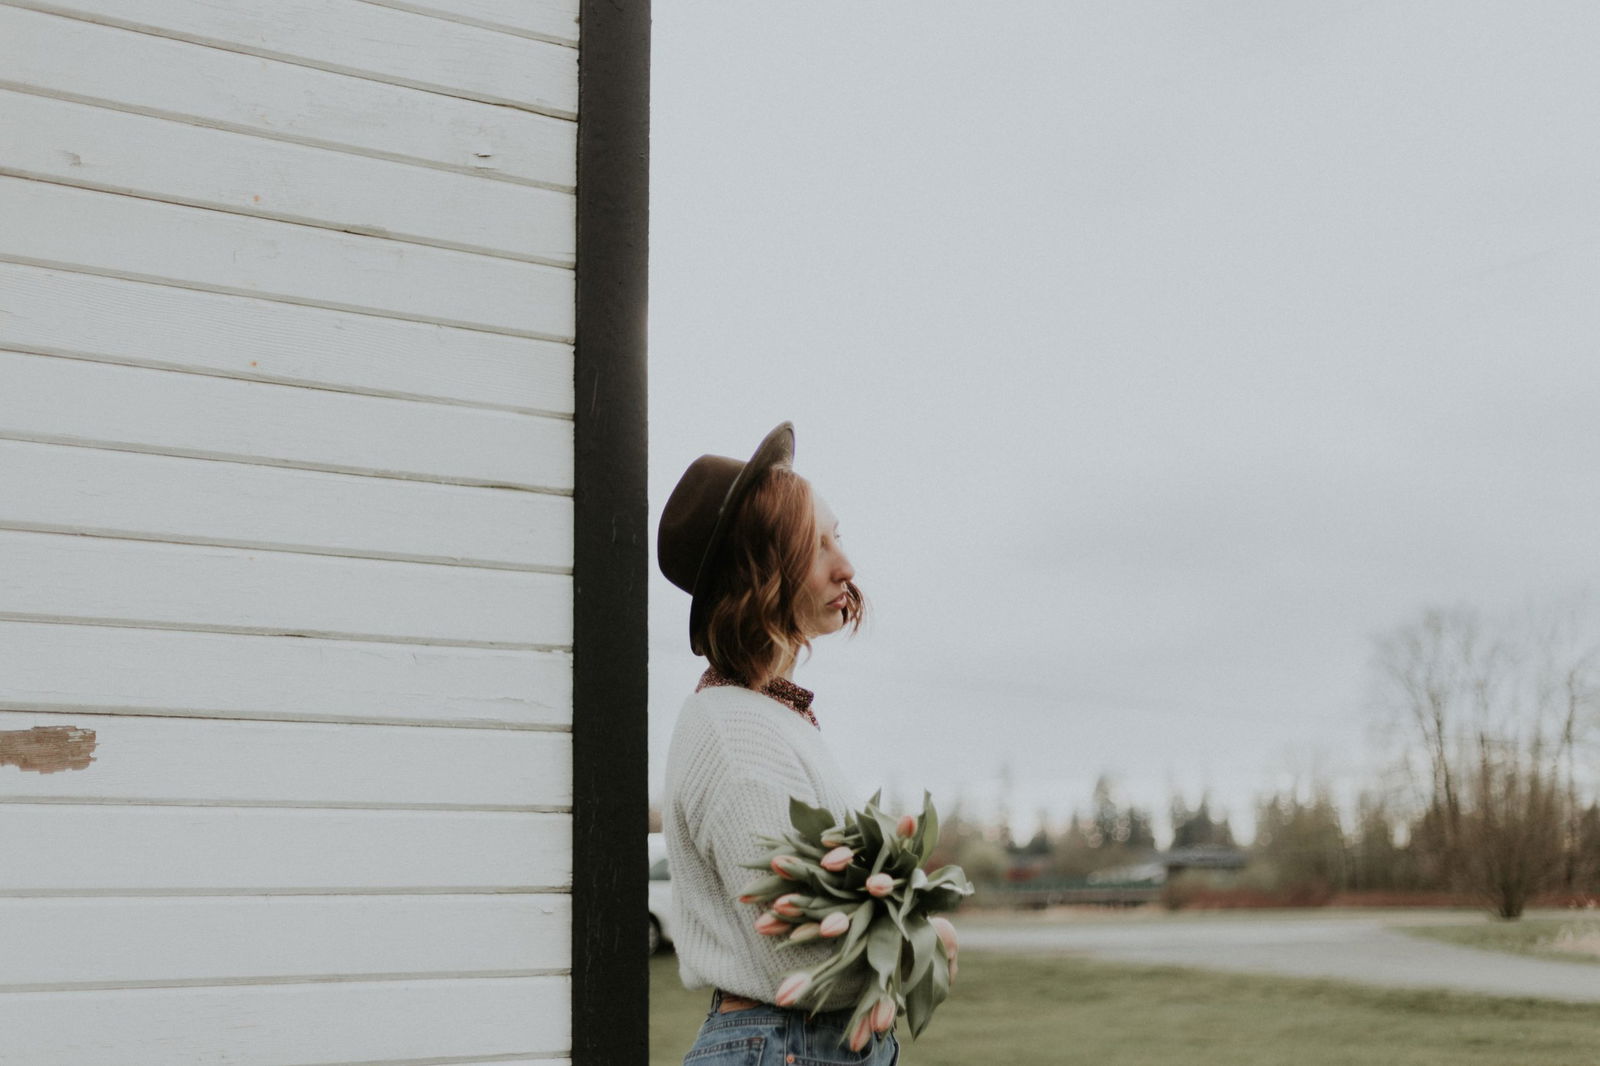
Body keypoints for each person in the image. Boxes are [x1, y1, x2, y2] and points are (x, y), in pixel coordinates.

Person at [659, 422, 898, 1065]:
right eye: (815, 547)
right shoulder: (737, 734)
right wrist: (906, 935)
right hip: (787, 1046)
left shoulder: (766, 716)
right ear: (758, 573)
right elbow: (800, 952)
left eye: (837, 536)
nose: (846, 566)